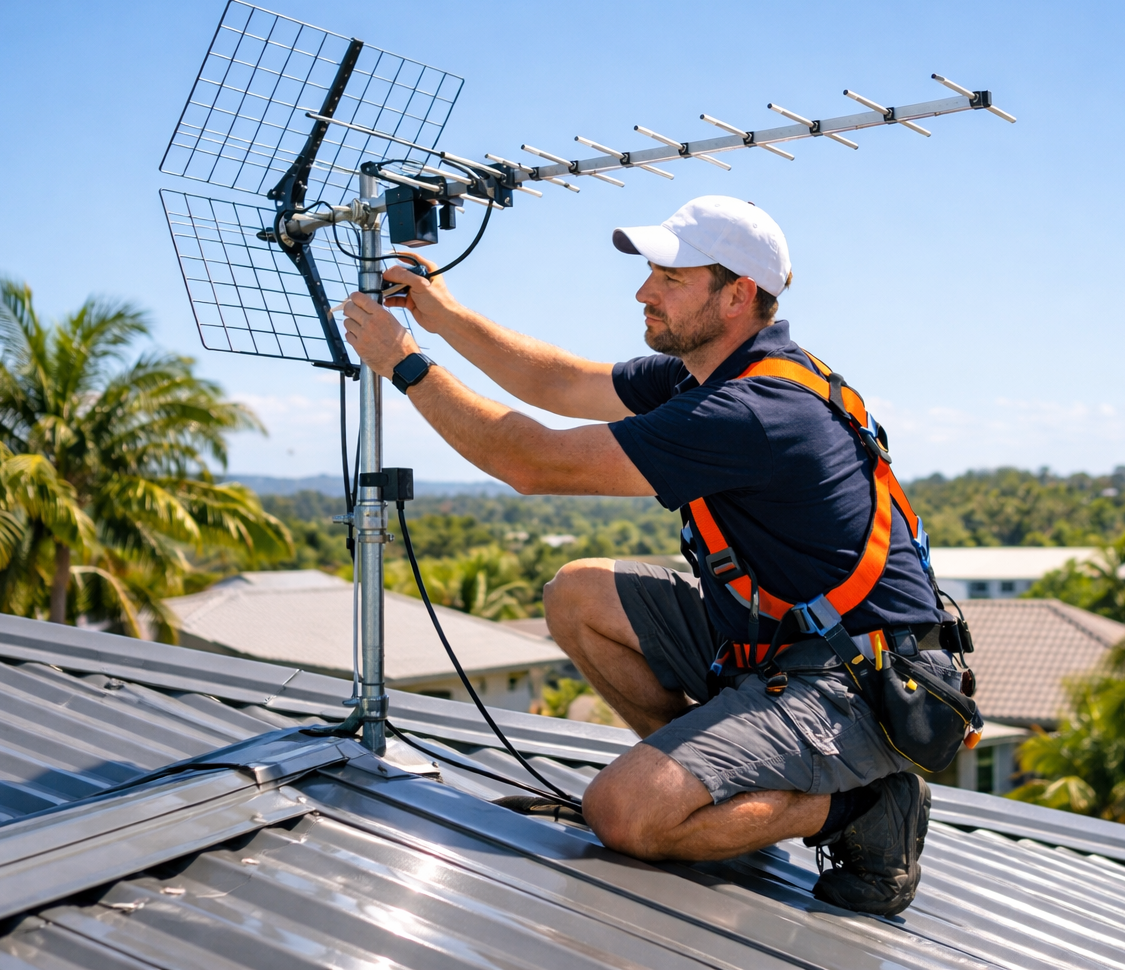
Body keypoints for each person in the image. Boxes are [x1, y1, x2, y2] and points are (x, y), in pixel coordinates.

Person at [341, 195, 972, 915]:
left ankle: (862, 805)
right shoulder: (704, 373)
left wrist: (406, 363)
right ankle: (720, 786)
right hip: (785, 644)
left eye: (672, 278)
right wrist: (441, 313)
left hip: (855, 681)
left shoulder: (754, 412)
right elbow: (556, 382)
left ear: (737, 295)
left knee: (624, 815)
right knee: (577, 595)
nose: (645, 291)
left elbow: (534, 463)